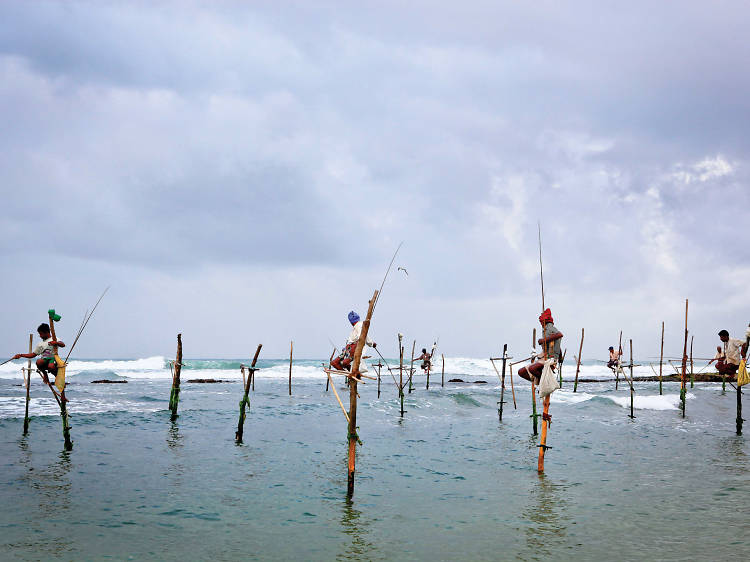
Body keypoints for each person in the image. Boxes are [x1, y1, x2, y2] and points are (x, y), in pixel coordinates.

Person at [518, 308, 563, 383]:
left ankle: (545, 382)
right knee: (521, 372)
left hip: (550, 359)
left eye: (541, 322)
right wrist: (561, 357)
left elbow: (560, 334)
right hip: (543, 358)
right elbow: (558, 346)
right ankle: (540, 381)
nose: (541, 323)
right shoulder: (545, 330)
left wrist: (543, 340)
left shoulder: (549, 327)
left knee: (532, 369)